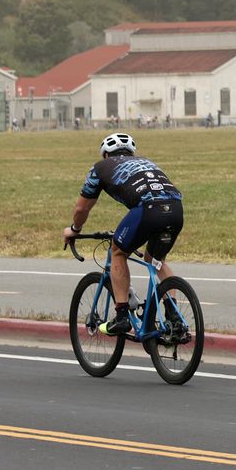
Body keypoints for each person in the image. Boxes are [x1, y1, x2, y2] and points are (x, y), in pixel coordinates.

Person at [62, 133, 184, 336]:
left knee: (118, 252)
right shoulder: (146, 162)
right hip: (176, 209)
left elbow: (82, 208)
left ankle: (121, 317)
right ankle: (174, 317)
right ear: (131, 153)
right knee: (155, 259)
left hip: (147, 209)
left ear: (106, 155)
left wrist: (74, 230)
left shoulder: (100, 167)